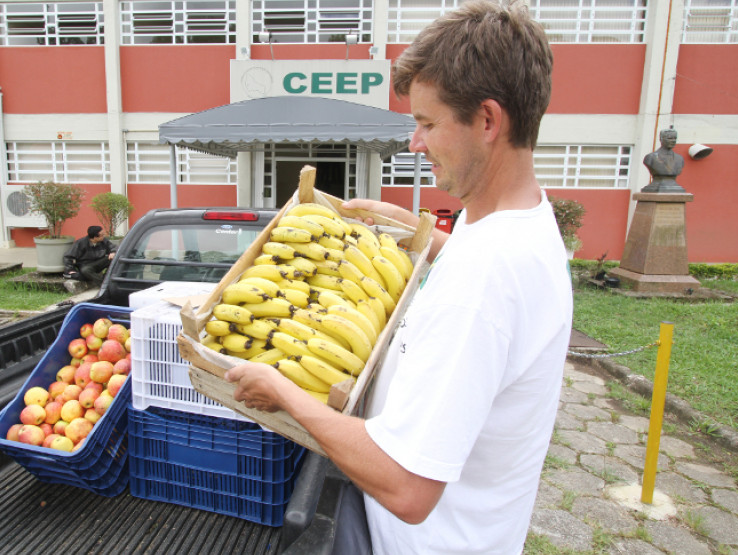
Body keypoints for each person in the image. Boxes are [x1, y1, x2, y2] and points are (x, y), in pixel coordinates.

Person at [223, 1, 573, 552]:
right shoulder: (523, 229)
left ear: (487, 120)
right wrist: (422, 235)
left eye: (428, 123)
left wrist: (285, 393)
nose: (415, 143)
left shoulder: (484, 279)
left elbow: (408, 488)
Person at [642, 127, 687, 193]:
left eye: (675, 138)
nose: (673, 141)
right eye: (669, 138)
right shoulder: (651, 157)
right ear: (661, 139)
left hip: (674, 187)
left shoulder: (679, 158)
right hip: (657, 186)